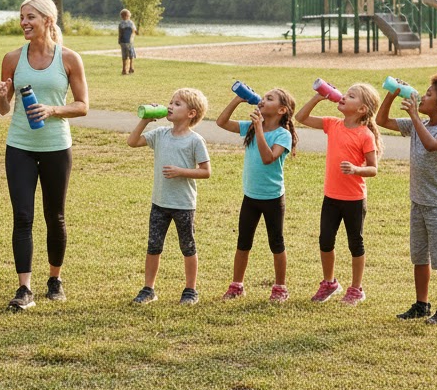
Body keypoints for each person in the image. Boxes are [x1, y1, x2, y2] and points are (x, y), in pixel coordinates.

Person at [0, 0, 89, 311]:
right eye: (22, 17)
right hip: (19, 145)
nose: (24, 23)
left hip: (56, 148)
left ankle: (55, 280)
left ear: (48, 20)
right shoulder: (12, 58)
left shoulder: (69, 59)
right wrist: (2, 96)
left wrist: (53, 109)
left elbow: (82, 105)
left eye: (30, 17)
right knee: (22, 216)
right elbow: (4, 109)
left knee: (55, 215)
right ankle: (24, 289)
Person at [375, 72, 437, 325]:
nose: (423, 95)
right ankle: (421, 304)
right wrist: (393, 92)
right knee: (419, 257)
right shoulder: (422, 124)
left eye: (429, 94)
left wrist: (415, 117)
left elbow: (432, 145)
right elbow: (382, 120)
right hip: (418, 200)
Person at [296, 83, 381, 306]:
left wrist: (356, 170)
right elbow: (301, 117)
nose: (343, 97)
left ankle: (356, 289)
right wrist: (318, 97)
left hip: (354, 199)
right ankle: (329, 283)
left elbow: (373, 168)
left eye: (351, 96)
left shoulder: (365, 135)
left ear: (362, 109)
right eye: (345, 93)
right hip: (331, 197)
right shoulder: (333, 124)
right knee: (325, 241)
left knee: (355, 243)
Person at [127, 88, 211, 305]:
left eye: (177, 104)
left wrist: (181, 171)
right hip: (159, 202)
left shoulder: (195, 141)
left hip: (183, 204)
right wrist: (146, 120)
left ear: (191, 113)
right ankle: (148, 289)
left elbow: (206, 171)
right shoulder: (160, 134)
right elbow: (132, 142)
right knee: (154, 245)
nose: (171, 106)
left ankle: (191, 290)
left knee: (188, 246)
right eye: (170, 102)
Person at [215, 86, 297, 302]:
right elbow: (221, 122)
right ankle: (236, 285)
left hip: (272, 198)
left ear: (281, 110)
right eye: (264, 96)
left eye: (269, 98)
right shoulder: (252, 127)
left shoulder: (283, 134)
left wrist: (259, 128)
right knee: (243, 242)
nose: (263, 99)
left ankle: (280, 288)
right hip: (250, 196)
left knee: (276, 243)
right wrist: (237, 100)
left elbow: (268, 158)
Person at [118, 8, 137, 75]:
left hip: (123, 41)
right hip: (129, 42)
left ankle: (124, 70)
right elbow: (134, 31)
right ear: (128, 16)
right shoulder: (131, 23)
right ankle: (130, 68)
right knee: (131, 55)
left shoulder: (120, 24)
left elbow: (120, 32)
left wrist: (119, 40)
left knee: (124, 56)